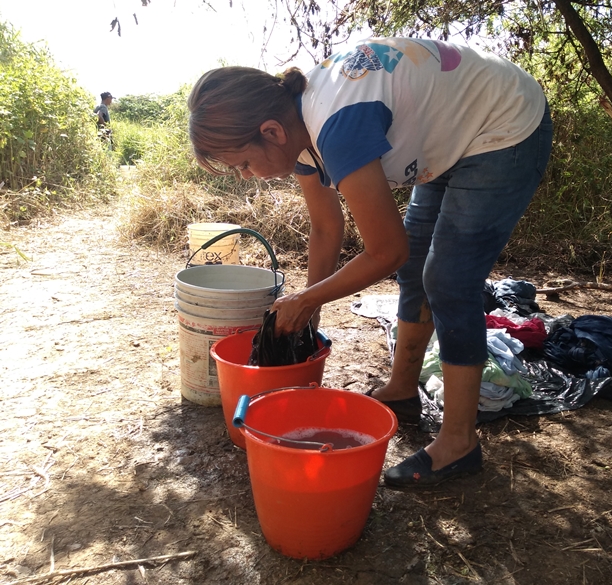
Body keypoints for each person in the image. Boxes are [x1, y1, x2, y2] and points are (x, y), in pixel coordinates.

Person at [188, 37, 553, 487]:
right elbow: (326, 229)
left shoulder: (337, 124)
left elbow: (386, 251)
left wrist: (307, 299)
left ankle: (459, 443)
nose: (246, 176)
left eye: (243, 163)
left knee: (448, 280)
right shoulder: (299, 133)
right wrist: (309, 312)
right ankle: (402, 390)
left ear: (271, 132)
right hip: (452, 134)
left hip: (503, 122)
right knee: (415, 269)